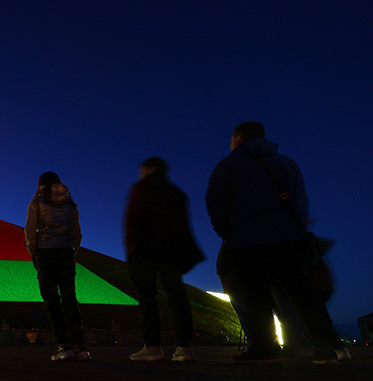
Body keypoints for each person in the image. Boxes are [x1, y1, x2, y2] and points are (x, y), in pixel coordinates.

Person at [206, 121, 348, 363]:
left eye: (231, 139)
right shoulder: (287, 163)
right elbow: (301, 201)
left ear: (239, 138)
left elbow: (215, 203)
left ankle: (262, 347)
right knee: (302, 293)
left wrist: (227, 233)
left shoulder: (228, 165)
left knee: (253, 294)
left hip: (246, 240)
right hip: (288, 239)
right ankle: (325, 345)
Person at [124, 157, 204, 362]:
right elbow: (184, 226)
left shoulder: (140, 188)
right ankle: (184, 348)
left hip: (144, 252)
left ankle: (152, 346)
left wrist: (131, 249)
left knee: (147, 299)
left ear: (149, 169)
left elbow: (132, 220)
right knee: (178, 298)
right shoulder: (177, 194)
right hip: (171, 253)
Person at [24, 171, 89, 361]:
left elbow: (30, 231)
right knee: (70, 298)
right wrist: (72, 251)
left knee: (52, 301)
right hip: (66, 253)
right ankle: (81, 347)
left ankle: (64, 346)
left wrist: (34, 253)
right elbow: (77, 233)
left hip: (46, 254)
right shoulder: (71, 206)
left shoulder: (36, 203)